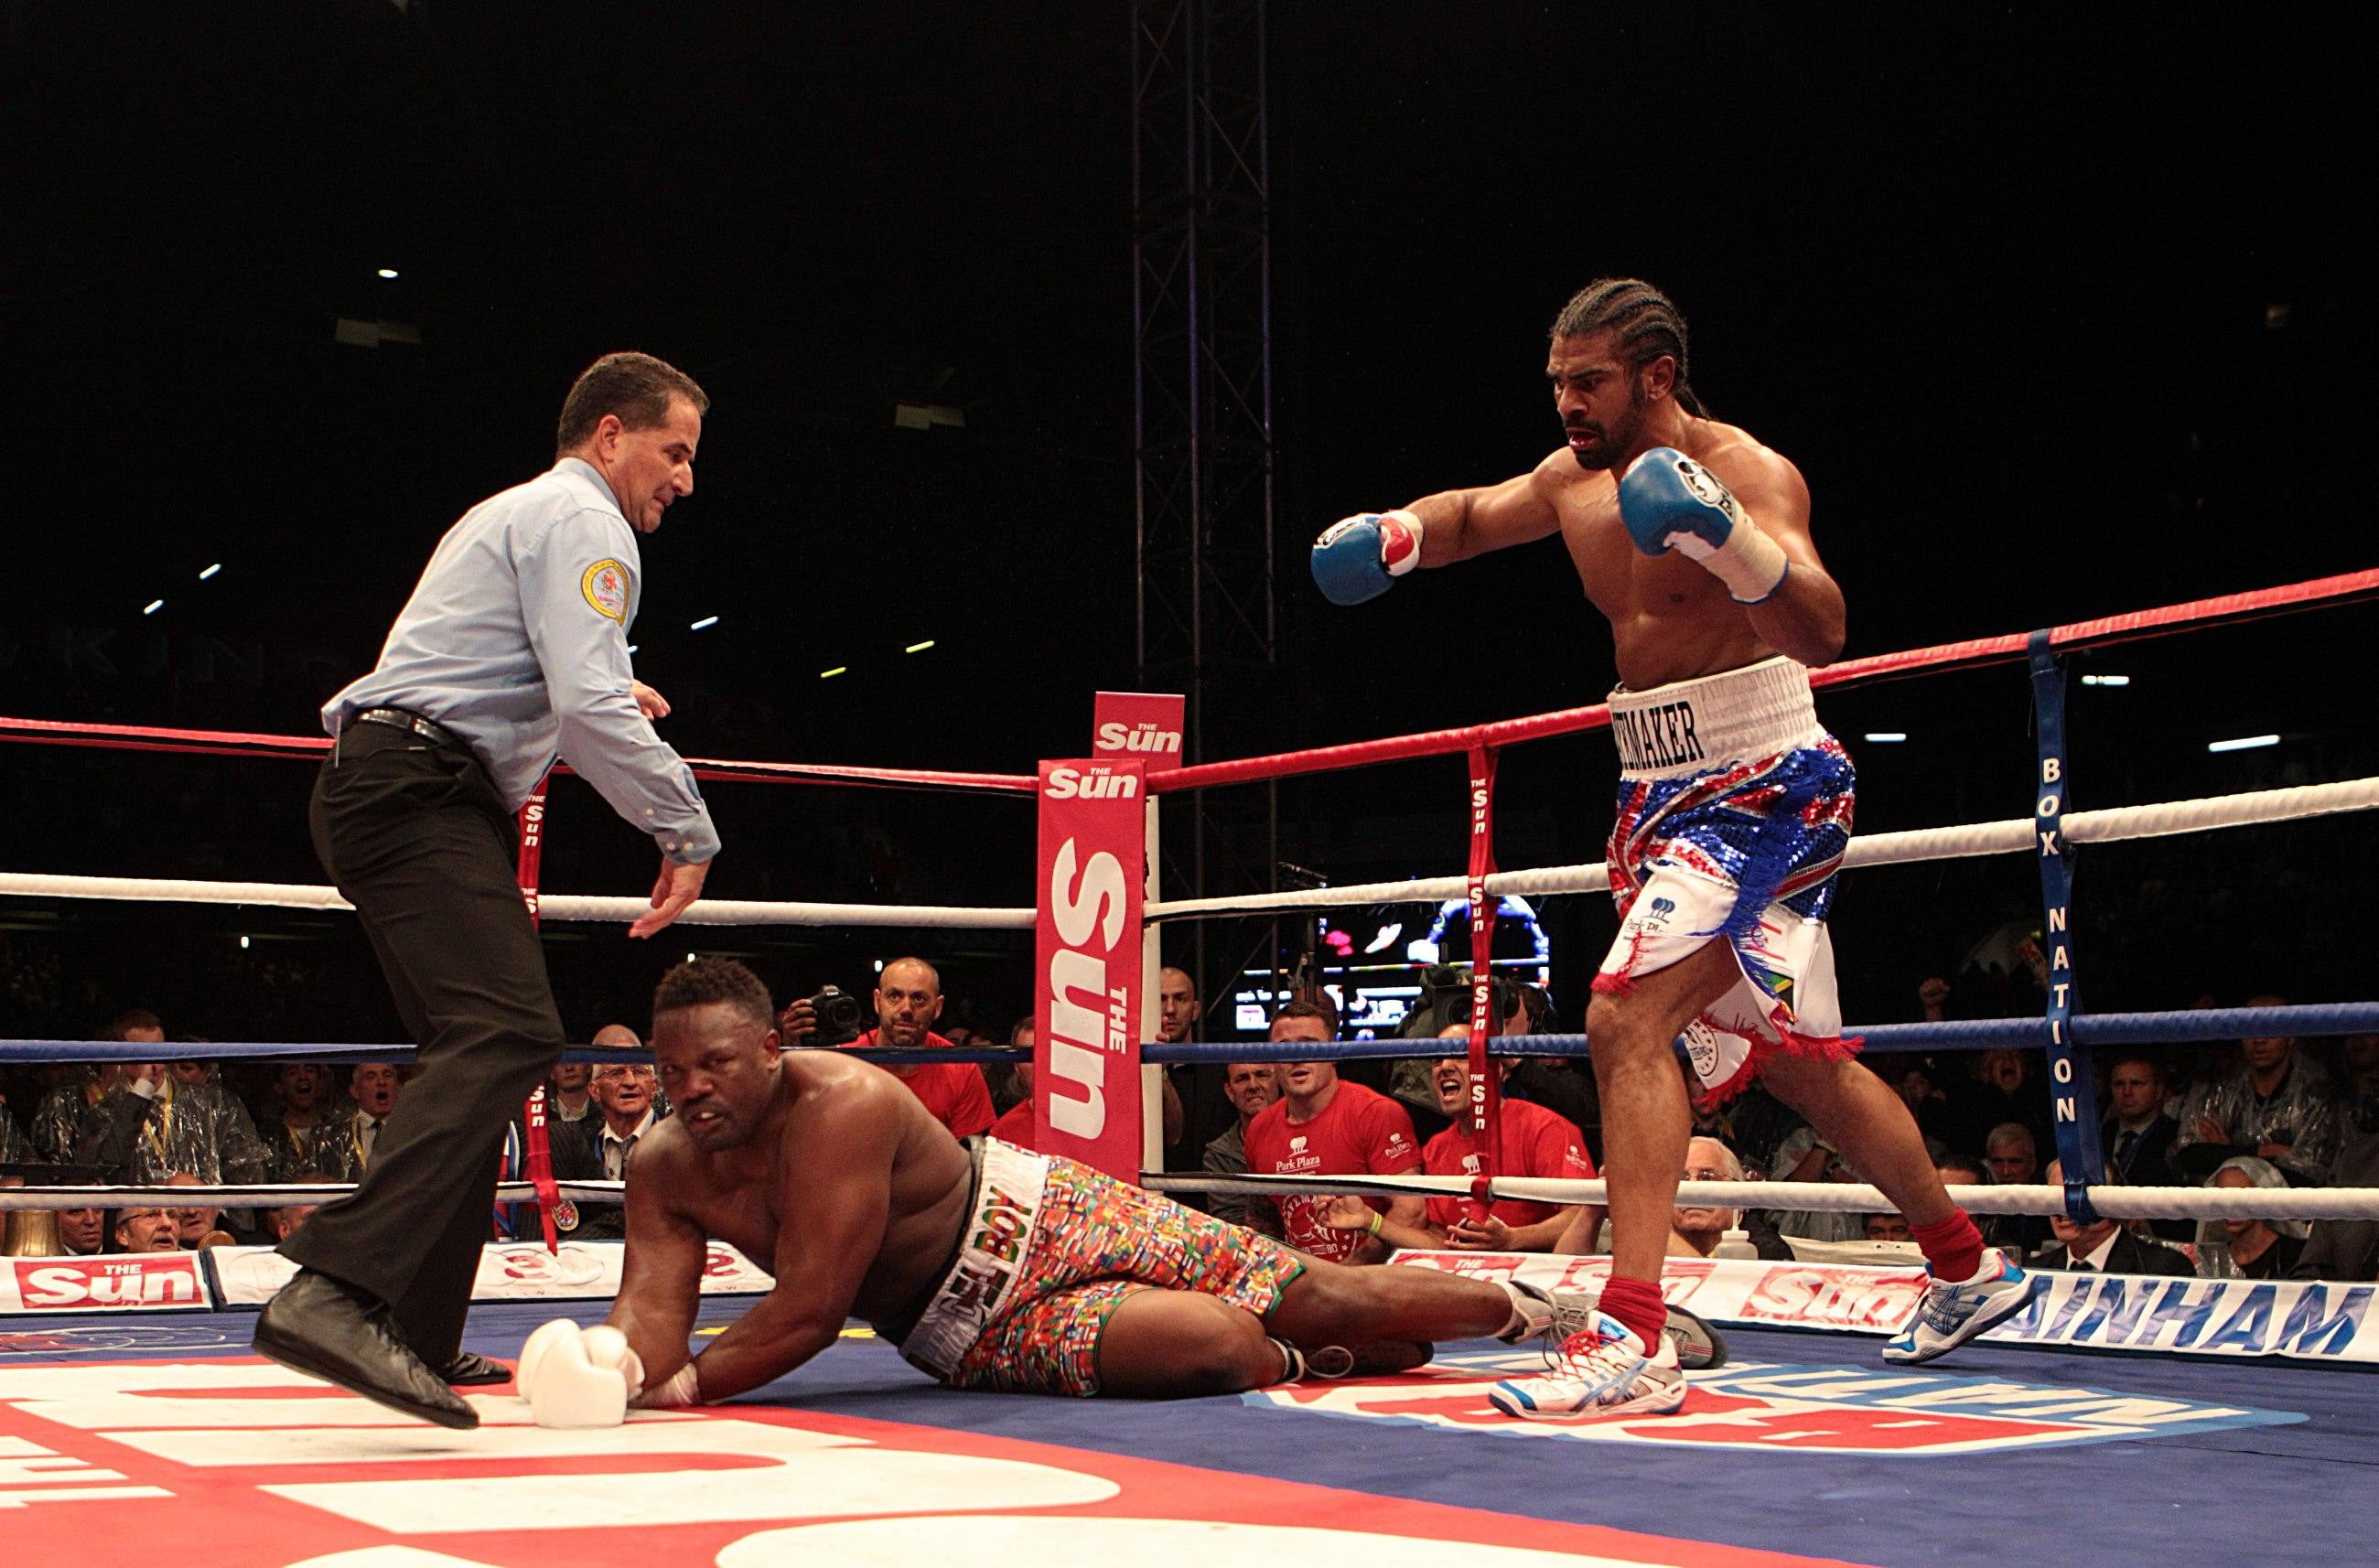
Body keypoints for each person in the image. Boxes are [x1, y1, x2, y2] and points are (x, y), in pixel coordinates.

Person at [1311, 278, 2033, 1419]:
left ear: (1654, 374)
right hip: (1651, 786)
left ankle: (1631, 1339)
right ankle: (1964, 1264)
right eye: (1554, 381)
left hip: (1768, 780)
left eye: (1586, 381)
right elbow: (1465, 516)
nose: (1564, 404)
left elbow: (1821, 626)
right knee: (1797, 1061)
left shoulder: (1747, 473)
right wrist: (1396, 536)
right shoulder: (1572, 480)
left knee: (1623, 1016)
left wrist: (1729, 543)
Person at [509, 960, 1606, 1423]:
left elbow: (807, 1303)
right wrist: (610, 1368)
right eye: (672, 1073)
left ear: (766, 1050)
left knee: (1316, 1290)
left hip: (1045, 1212)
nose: (690, 1092)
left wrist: (687, 1389)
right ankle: (1292, 1355)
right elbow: (652, 1306)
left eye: (714, 1068)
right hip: (962, 1331)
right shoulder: (662, 1164)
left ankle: (1546, 1312)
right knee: (1219, 1342)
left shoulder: (837, 1102)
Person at [252, 351, 722, 1431]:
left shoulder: (525, 516)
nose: (685, 480)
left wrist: (594, 686)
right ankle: (334, 1288)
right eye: (674, 450)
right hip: (417, 790)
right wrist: (684, 829)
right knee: (510, 1031)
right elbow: (589, 702)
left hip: (401, 785)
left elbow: (554, 677)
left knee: (476, 1044)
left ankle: (406, 1328)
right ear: (609, 434)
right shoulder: (584, 521)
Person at [1242, 1003, 1425, 1262]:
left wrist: (1348, 1273)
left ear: (1335, 1051)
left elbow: (1413, 1211)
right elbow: (1263, 1217)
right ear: (1271, 1060)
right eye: (1285, 1047)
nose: (1297, 1057)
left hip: (1373, 1284)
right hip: (1303, 1282)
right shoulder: (1261, 1127)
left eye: (1310, 1045)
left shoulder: (1375, 1113)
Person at [2026, 1160, 2192, 1275]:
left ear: (2112, 1202)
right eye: (2055, 1196)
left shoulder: (2164, 1269)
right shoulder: (2036, 1273)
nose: (2063, 1208)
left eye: (2077, 1197)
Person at [1201, 1060, 1285, 1235]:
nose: (1253, 1085)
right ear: (1229, 1091)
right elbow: (1234, 1232)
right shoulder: (1219, 1155)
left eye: (1262, 1075)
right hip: (1259, 1255)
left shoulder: (1308, 1135)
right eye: (1242, 1079)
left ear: (1279, 1080)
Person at [2195, 1155, 2307, 1279]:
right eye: (2222, 1197)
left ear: (2263, 1198)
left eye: (2243, 1196)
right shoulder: (2209, 1259)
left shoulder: (2297, 1255)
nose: (2231, 1207)